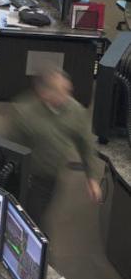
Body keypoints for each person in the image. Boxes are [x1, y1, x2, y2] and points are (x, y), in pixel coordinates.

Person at [10, 68, 102, 231]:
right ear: (44, 93)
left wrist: (92, 178)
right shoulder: (25, 112)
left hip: (49, 179)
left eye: (67, 90)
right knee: (28, 218)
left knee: (36, 218)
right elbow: (9, 146)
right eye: (61, 92)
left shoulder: (75, 111)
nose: (67, 96)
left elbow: (86, 144)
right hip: (26, 176)